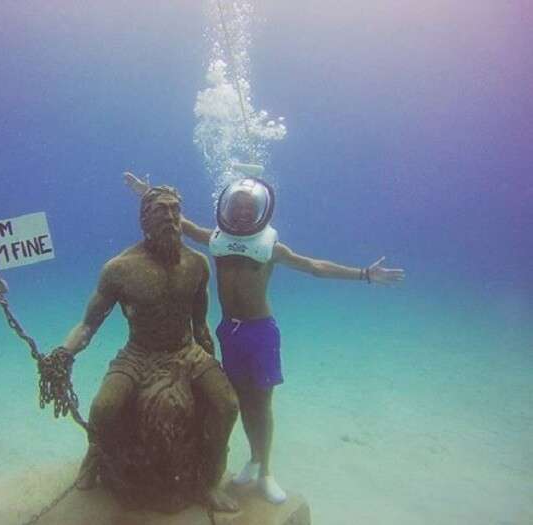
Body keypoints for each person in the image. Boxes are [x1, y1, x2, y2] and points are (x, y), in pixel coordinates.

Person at [124, 171, 405, 504]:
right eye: (237, 205)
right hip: (230, 331)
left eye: (248, 207)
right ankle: (254, 460)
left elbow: (314, 266)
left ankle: (267, 471)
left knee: (263, 404)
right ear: (227, 206)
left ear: (260, 209)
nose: (243, 212)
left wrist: (364, 275)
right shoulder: (216, 239)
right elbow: (177, 221)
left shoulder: (270, 245)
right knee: (241, 401)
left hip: (260, 333)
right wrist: (146, 193)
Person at [57, 185, 240, 512]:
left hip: (186, 352)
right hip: (139, 354)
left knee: (226, 404)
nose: (171, 217)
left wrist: (214, 365)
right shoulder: (120, 269)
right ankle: (98, 457)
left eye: (175, 210)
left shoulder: (197, 265)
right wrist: (63, 353)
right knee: (103, 408)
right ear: (145, 219)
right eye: (161, 211)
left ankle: (209, 481)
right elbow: (87, 325)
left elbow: (200, 326)